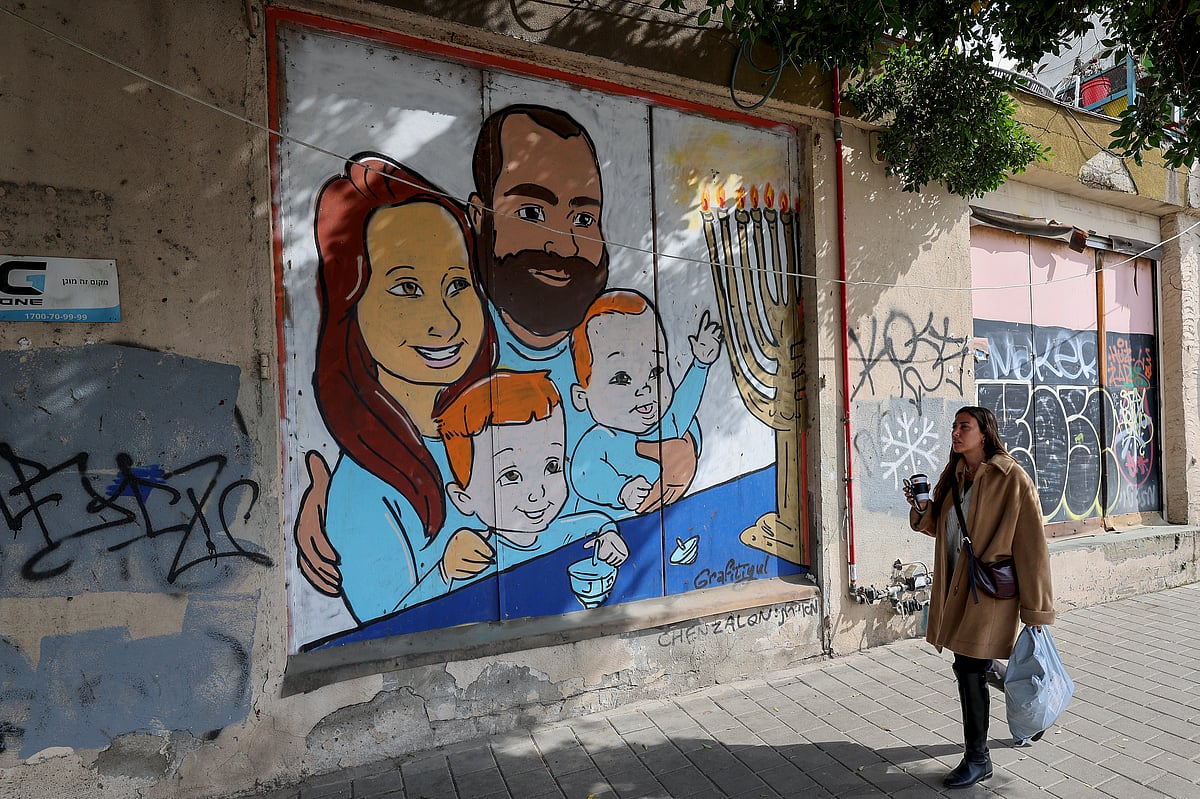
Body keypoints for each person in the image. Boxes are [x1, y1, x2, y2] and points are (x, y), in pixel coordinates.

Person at [297, 105, 701, 597]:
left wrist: (687, 450)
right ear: (479, 215)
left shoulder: (608, 332)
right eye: (531, 212)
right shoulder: (454, 353)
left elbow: (657, 405)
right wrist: (341, 507)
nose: (562, 243)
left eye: (582, 216)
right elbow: (388, 431)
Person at [304, 154, 496, 623]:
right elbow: (381, 623)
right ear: (351, 309)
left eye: (457, 284)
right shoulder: (367, 485)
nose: (446, 321)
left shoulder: (494, 415)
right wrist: (445, 573)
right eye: (407, 289)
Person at [904, 406, 1055, 789]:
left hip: (989, 588)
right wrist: (923, 509)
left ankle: (978, 758)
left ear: (984, 433)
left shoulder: (1012, 478)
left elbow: (1032, 545)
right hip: (957, 583)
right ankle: (1024, 691)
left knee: (969, 667)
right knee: (974, 661)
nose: (956, 432)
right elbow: (943, 525)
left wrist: (1036, 609)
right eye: (954, 426)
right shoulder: (955, 474)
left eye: (964, 427)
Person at [435, 369, 628, 585]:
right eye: (511, 475)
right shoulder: (475, 556)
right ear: (463, 499)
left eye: (552, 466)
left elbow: (597, 522)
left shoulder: (558, 534)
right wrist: (445, 570)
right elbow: (411, 608)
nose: (538, 493)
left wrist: (609, 535)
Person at [569, 290, 722, 513]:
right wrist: (620, 490)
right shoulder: (601, 440)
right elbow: (584, 474)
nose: (645, 388)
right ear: (582, 397)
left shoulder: (668, 423)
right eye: (621, 378)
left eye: (655, 370)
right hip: (625, 530)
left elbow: (684, 405)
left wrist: (700, 364)